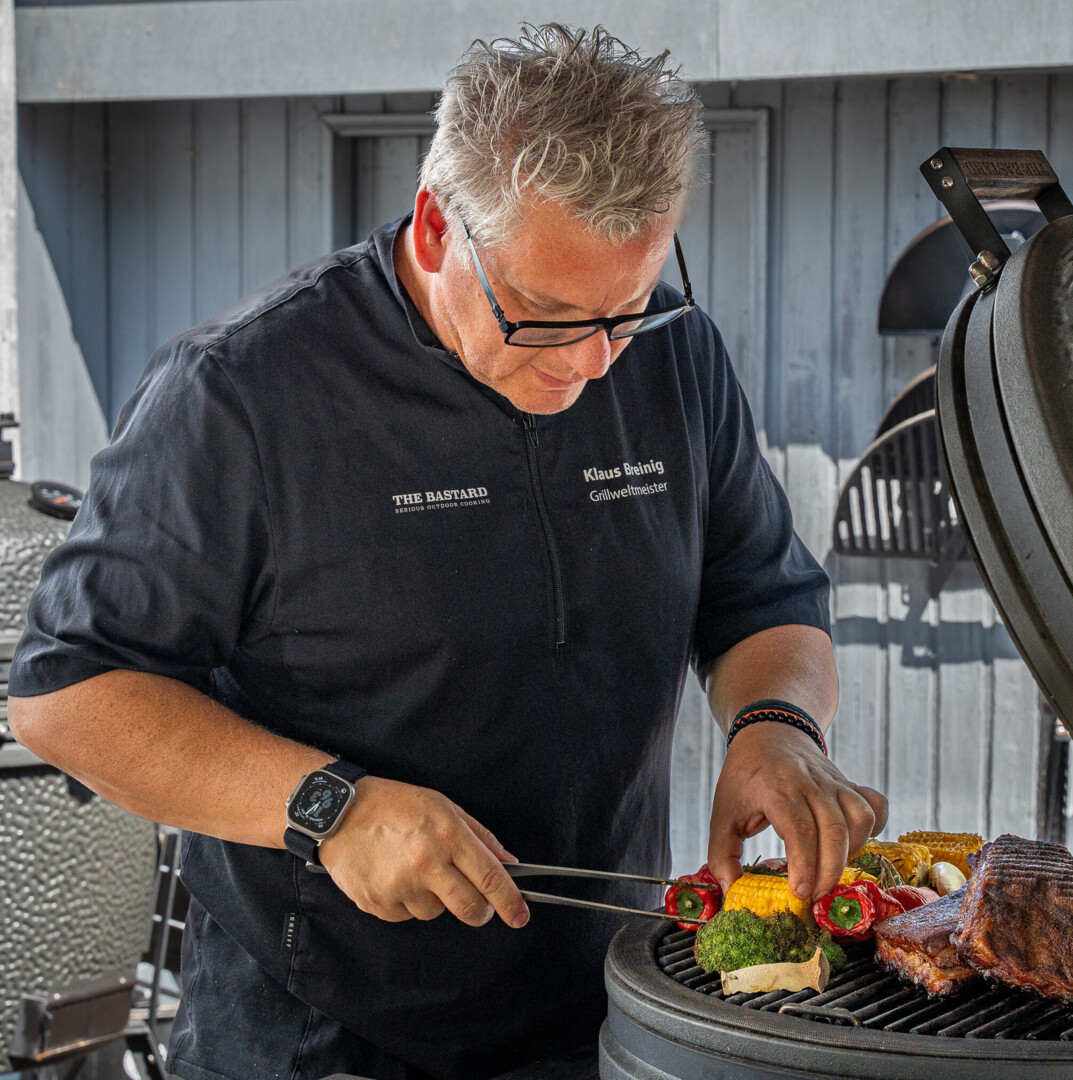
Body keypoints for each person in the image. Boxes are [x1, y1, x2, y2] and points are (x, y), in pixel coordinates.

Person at [7, 24, 887, 1080]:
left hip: (605, 1002)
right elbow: (70, 694)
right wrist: (326, 806)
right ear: (436, 227)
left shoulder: (676, 359)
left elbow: (758, 594)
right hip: (322, 1035)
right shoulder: (240, 393)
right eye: (546, 317)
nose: (595, 366)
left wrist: (778, 725)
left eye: (625, 312)